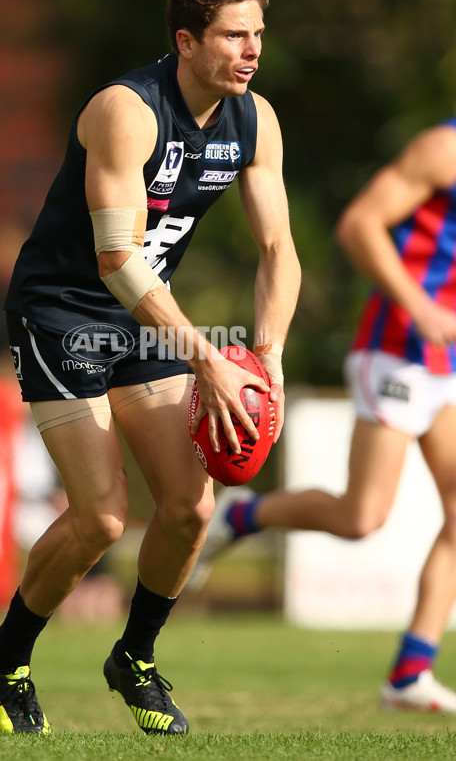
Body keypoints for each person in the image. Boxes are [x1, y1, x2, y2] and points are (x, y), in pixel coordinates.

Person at [0, 0, 301, 736]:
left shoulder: (255, 120)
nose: (251, 50)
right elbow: (117, 258)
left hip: (149, 319)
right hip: (64, 313)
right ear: (186, 41)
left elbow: (279, 249)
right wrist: (208, 358)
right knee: (104, 518)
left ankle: (135, 659)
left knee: (189, 507)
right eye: (232, 35)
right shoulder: (127, 110)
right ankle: (6, 653)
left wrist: (269, 357)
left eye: (257, 32)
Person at [191, 119, 456, 713]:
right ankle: (246, 513)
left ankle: (411, 673)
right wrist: (419, 307)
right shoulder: (446, 149)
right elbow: (359, 224)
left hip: (449, 363)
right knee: (363, 517)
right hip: (398, 351)